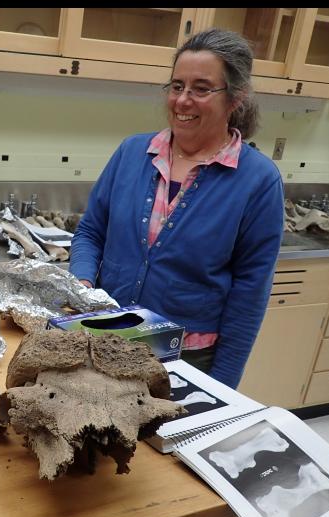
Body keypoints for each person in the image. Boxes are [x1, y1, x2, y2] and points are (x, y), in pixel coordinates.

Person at [69, 28, 284, 390]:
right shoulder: (131, 153)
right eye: (176, 85)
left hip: (185, 361)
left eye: (201, 89)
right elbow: (92, 231)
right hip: (107, 340)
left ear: (235, 98)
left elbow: (250, 293)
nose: (183, 100)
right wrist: (82, 282)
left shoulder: (258, 180)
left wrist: (222, 385)